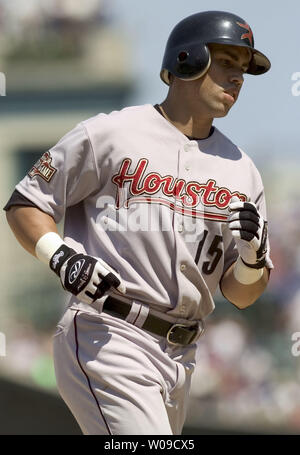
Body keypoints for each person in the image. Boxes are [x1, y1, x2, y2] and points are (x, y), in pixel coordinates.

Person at [4, 10, 273, 435]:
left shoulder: (242, 170)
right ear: (187, 59)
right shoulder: (112, 133)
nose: (237, 78)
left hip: (182, 357)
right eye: (226, 62)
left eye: (242, 69)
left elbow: (241, 294)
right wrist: (61, 257)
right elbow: (25, 202)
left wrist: (252, 258)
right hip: (107, 334)